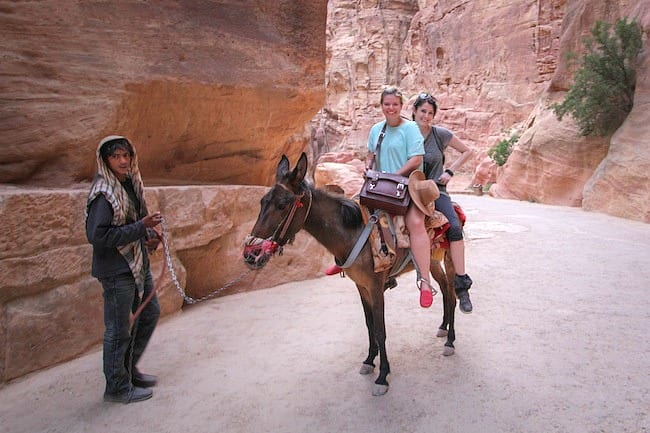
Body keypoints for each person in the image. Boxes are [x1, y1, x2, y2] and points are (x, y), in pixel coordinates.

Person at [85, 135, 163, 403]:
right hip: (117, 270)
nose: (123, 161)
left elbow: (130, 223)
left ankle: (128, 372)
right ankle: (117, 387)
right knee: (118, 329)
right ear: (105, 160)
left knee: (150, 313)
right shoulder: (103, 193)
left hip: (136, 263)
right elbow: (98, 235)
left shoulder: (129, 184)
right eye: (116, 156)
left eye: (126, 155)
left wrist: (147, 235)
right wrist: (141, 227)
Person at [365, 86, 436, 308]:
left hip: (408, 186)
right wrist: (368, 170)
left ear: (401, 106)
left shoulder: (411, 128)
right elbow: (370, 156)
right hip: (382, 188)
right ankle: (345, 262)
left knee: (415, 222)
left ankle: (425, 282)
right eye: (387, 104)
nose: (391, 108)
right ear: (381, 106)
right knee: (356, 215)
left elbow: (416, 160)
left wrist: (392, 176)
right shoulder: (377, 129)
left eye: (395, 104)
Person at [411, 92, 475, 313]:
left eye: (430, 113)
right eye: (423, 111)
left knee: (454, 228)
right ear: (414, 112)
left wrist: (449, 171)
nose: (426, 116)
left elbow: (468, 151)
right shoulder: (405, 133)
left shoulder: (440, 135)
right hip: (411, 190)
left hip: (437, 192)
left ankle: (461, 284)